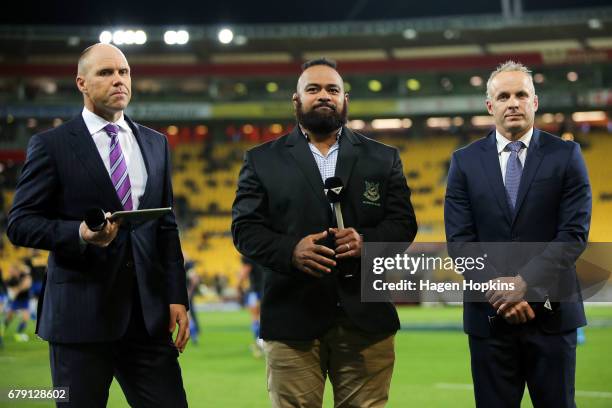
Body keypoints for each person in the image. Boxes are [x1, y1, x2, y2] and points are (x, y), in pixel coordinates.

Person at [7, 43, 190, 408]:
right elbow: (20, 223)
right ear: (82, 83)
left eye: (124, 72)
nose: (118, 80)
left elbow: (165, 226)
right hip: (79, 318)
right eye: (106, 73)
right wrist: (79, 234)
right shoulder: (51, 145)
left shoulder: (156, 144)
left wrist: (176, 295)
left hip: (146, 319)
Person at [232, 58, 418, 407]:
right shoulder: (261, 160)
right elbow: (245, 229)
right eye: (313, 89)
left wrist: (366, 242)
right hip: (291, 320)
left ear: (345, 99)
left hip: (366, 321)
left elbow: (404, 224)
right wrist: (291, 250)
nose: (323, 96)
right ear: (296, 100)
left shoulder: (383, 157)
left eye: (332, 89)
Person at [444, 60, 591, 408]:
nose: (513, 102)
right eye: (504, 95)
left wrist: (524, 285)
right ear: (490, 106)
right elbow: (461, 243)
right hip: (489, 320)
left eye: (521, 94)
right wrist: (503, 293)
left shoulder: (566, 155)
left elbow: (572, 234)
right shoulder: (464, 161)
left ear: (535, 102)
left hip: (553, 319)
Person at [236, 256, 264, 357]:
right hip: (265, 288)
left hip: (255, 291)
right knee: (262, 317)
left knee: (255, 317)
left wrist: (238, 285)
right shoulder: (260, 249)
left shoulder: (247, 254)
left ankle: (259, 343)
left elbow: (245, 271)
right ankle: (260, 342)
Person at [5, 263, 32, 342]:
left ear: (16, 270)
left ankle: (18, 333)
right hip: (16, 300)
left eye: (12, 270)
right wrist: (21, 287)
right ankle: (2, 331)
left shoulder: (23, 275)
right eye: (10, 271)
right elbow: (13, 294)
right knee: (9, 317)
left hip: (25, 299)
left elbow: (28, 284)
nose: (10, 272)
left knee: (26, 318)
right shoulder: (10, 280)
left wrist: (19, 288)